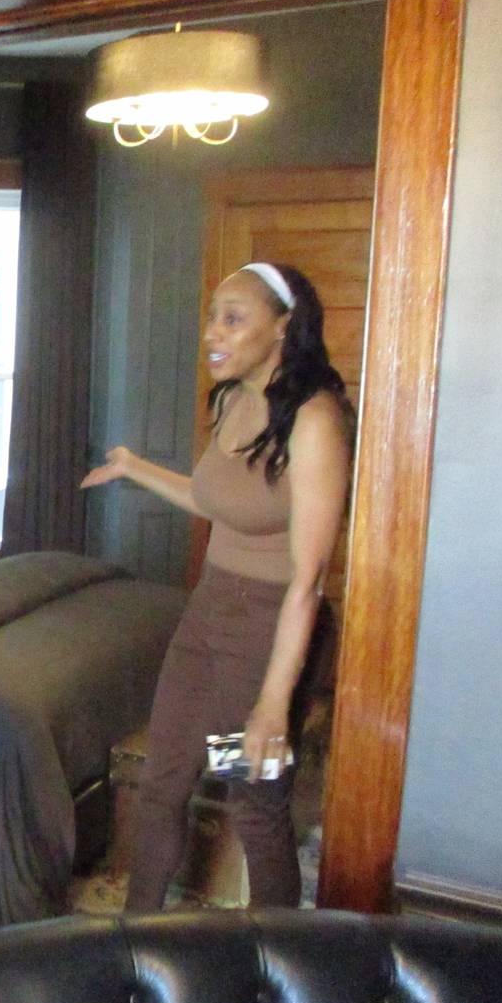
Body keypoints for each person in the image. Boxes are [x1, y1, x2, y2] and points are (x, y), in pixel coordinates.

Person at [81, 262, 352, 910]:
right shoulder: (231, 400)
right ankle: (136, 938)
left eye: (233, 318)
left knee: (253, 802)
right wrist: (133, 467)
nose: (213, 333)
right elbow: (216, 501)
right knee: (163, 784)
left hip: (266, 632)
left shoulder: (313, 421)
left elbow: (308, 581)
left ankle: (277, 956)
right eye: (212, 317)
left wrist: (272, 704)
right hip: (206, 616)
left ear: (282, 327)